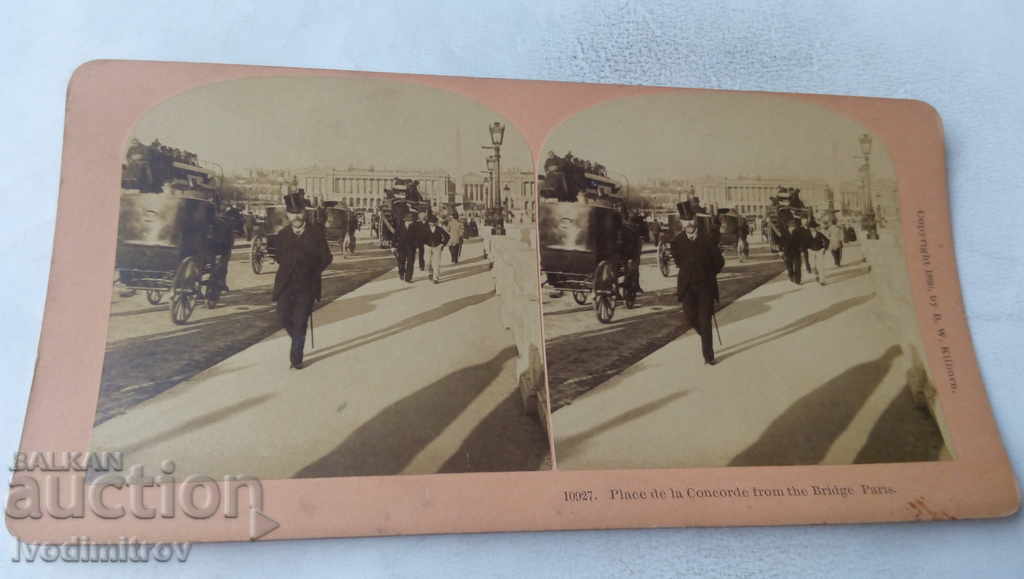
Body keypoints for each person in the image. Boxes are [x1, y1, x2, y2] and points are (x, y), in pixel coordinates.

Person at [272, 192, 333, 370]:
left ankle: (296, 358)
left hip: (307, 286)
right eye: (292, 213)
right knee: (283, 317)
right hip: (285, 285)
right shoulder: (282, 235)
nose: (296, 216)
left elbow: (327, 257)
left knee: (300, 321)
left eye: (299, 212)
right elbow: (278, 256)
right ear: (288, 214)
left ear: (304, 213)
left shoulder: (316, 233)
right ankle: (298, 338)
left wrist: (313, 271)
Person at [671, 209, 725, 365]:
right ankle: (706, 335)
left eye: (691, 220)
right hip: (687, 287)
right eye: (685, 221)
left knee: (705, 320)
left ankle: (708, 356)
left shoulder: (707, 239)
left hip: (705, 287)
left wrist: (708, 274)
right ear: (681, 223)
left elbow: (719, 262)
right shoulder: (677, 242)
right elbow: (679, 262)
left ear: (695, 220)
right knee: (690, 318)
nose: (689, 224)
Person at [424, 215, 451, 283]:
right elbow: (420, 237)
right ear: (429, 222)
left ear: (435, 222)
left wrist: (443, 244)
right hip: (428, 246)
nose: (432, 223)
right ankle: (430, 273)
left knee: (436, 263)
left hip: (437, 247)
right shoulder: (425, 229)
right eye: (430, 222)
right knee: (428, 261)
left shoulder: (439, 229)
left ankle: (436, 278)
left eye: (433, 222)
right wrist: (423, 244)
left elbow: (447, 236)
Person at [782, 220, 808, 285]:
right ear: (788, 227)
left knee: (798, 267)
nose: (793, 228)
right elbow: (781, 243)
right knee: (789, 268)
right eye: (791, 227)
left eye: (793, 227)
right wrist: (780, 251)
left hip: (796, 252)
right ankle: (791, 277)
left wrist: (802, 250)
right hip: (787, 253)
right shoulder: (784, 234)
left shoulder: (798, 233)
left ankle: (798, 281)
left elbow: (802, 242)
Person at [395, 211, 417, 282]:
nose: (411, 221)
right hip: (401, 247)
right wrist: (393, 245)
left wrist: (417, 246)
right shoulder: (400, 226)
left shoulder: (415, 226)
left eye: (411, 220)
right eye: (410, 220)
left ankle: (408, 278)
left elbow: (418, 237)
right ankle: (401, 273)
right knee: (401, 261)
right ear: (406, 220)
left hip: (411, 247)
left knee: (410, 262)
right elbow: (395, 236)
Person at [806, 220, 831, 285]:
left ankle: (822, 280)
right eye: (811, 227)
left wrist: (824, 249)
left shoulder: (819, 234)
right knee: (813, 265)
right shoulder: (807, 235)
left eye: (814, 227)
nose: (813, 228)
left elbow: (827, 241)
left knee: (821, 266)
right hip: (811, 251)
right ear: (809, 228)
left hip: (819, 250)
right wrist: (806, 249)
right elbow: (804, 243)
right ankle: (816, 276)